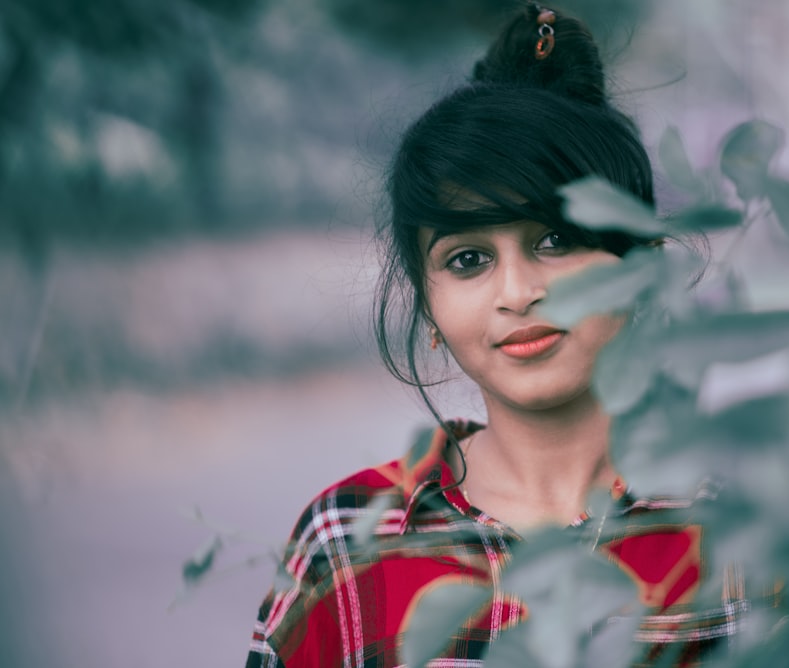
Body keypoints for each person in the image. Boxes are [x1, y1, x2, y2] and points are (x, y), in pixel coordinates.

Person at [246, 5, 753, 667]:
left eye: (556, 240)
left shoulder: (754, 520)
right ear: (428, 308)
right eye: (467, 260)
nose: (517, 292)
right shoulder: (348, 541)